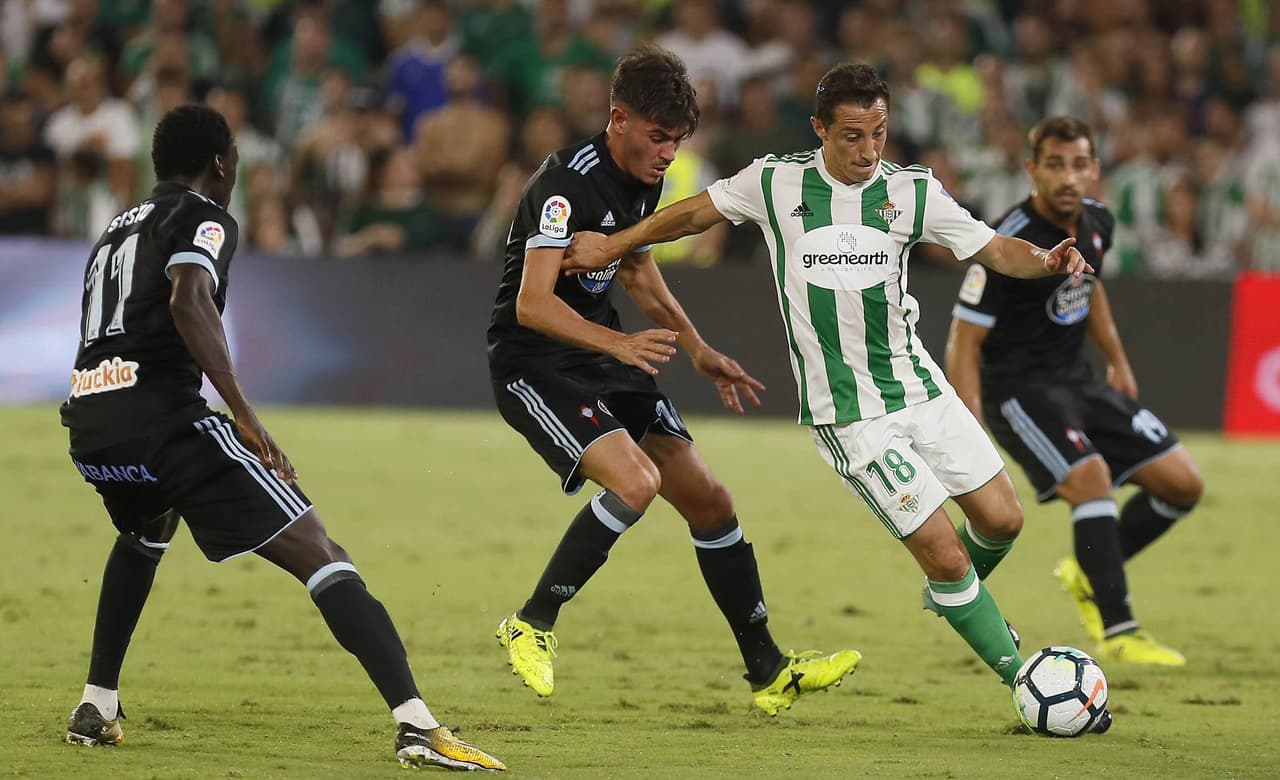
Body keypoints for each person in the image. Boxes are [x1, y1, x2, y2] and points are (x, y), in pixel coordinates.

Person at [562, 63, 1095, 700]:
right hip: (849, 415)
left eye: (879, 134)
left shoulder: (913, 193)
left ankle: (954, 597)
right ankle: (1022, 678)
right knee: (946, 554)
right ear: (819, 129)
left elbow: (992, 248)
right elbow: (688, 217)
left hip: (919, 387)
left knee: (1004, 521)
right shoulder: (775, 183)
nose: (869, 151)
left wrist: (1045, 258)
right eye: (851, 136)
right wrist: (611, 245)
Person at [59, 104, 505, 772]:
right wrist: (243, 410)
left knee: (147, 527)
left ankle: (96, 704)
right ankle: (418, 725)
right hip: (163, 421)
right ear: (220, 163)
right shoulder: (204, 216)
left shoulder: (113, 234)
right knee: (320, 547)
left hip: (91, 424)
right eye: (234, 158)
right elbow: (188, 300)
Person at [487, 45, 861, 716]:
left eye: (678, 140)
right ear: (618, 118)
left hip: (606, 356)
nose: (668, 152)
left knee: (711, 500)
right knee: (637, 482)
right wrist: (620, 342)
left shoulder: (643, 178)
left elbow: (634, 269)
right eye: (659, 137)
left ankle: (768, 671)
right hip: (535, 364)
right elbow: (532, 304)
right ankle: (531, 623)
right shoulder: (563, 183)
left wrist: (696, 347)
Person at [946, 116, 1205, 665]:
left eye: (1079, 164)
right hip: (1017, 392)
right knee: (1092, 478)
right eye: (1055, 165)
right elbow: (964, 339)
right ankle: (1120, 630)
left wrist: (1117, 359)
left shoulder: (1097, 222)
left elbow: (1090, 290)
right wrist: (968, 423)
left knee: (1181, 483)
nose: (1068, 177)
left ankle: (1089, 570)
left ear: (1094, 169)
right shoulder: (1006, 239)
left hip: (1078, 382)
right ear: (1032, 169)